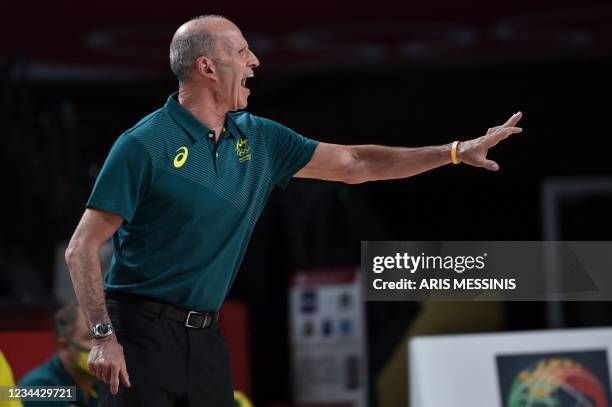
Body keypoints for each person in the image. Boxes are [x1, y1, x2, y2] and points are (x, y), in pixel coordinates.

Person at [64, 14, 523, 407]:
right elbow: (81, 247)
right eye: (241, 52)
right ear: (206, 66)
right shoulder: (145, 145)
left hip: (205, 333)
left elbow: (356, 163)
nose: (254, 61)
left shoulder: (260, 139)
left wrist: (455, 152)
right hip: (138, 332)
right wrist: (103, 337)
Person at [18, 304, 98, 406]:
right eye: (90, 337)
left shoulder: (106, 385)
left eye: (107, 336)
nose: (104, 346)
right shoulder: (37, 390)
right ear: (64, 345)